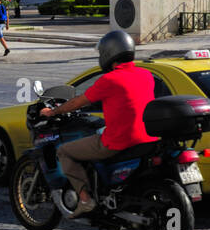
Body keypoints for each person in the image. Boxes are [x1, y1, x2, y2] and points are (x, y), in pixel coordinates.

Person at [40, 30, 157, 219]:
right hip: (147, 138)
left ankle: (85, 199)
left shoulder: (109, 80)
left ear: (108, 53)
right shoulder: (146, 75)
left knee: (64, 151)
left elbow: (79, 102)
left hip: (119, 141)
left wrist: (53, 111)